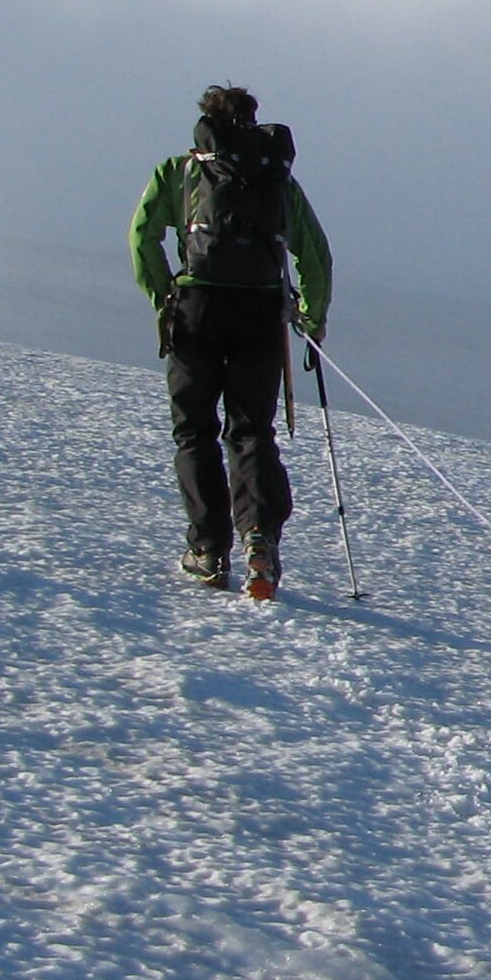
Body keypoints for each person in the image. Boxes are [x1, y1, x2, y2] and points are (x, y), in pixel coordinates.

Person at [128, 85, 332, 598]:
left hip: (195, 310)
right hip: (261, 311)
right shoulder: (278, 180)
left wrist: (162, 294)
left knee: (195, 431)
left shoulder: (181, 171)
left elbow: (141, 236)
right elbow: (315, 255)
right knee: (251, 431)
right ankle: (259, 540)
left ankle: (207, 549)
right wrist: (310, 315)